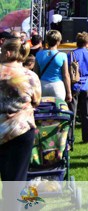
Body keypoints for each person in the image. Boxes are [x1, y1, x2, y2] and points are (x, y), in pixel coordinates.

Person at [0, 39, 41, 206]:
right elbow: (36, 100)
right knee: (17, 178)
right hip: (21, 130)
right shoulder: (30, 76)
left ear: (8, 52)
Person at [35, 30, 72, 103]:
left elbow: (36, 73)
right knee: (58, 109)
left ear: (47, 40)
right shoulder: (62, 55)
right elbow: (66, 75)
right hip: (57, 86)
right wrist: (69, 92)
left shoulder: (38, 54)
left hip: (43, 86)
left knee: (43, 109)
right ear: (58, 42)